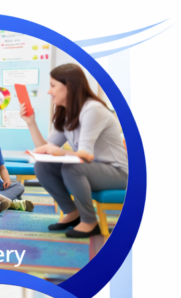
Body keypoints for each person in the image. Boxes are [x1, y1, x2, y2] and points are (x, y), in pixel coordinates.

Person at [19, 63, 128, 238]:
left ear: (69, 86)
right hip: (92, 169)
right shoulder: (65, 112)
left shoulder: (92, 109)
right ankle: (72, 212)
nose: (49, 91)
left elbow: (85, 155)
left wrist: (58, 151)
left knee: (72, 167)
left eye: (52, 85)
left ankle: (89, 222)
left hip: (118, 173)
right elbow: (46, 149)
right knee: (42, 166)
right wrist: (31, 122)